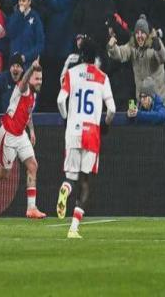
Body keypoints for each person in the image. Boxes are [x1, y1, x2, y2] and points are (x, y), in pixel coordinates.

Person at [56, 37, 116, 238]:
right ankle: (73, 228)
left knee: (71, 177)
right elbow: (112, 109)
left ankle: (65, 189)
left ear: (81, 55)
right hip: (91, 133)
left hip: (73, 130)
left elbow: (60, 100)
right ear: (95, 56)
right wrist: (105, 124)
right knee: (85, 181)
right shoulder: (102, 77)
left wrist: (66, 118)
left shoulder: (71, 74)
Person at [0, 59, 46, 219]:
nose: (39, 81)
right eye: (37, 78)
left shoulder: (33, 95)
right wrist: (30, 69)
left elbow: (28, 113)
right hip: (8, 134)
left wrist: (32, 131)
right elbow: (24, 80)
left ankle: (31, 208)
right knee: (5, 173)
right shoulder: (23, 87)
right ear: (30, 78)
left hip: (21, 135)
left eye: (41, 79)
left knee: (33, 165)